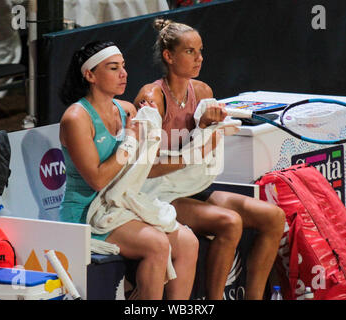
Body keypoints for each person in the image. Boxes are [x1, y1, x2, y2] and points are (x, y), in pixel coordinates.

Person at [134, 19, 286, 300]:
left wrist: (208, 130)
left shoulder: (202, 92)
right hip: (157, 195)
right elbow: (146, 168)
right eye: (190, 51)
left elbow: (210, 147)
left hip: (192, 188)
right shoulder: (152, 96)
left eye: (201, 50)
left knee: (273, 217)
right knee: (230, 222)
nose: (199, 58)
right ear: (169, 56)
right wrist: (200, 140)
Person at [59, 40, 198, 300]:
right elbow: (98, 180)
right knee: (157, 244)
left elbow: (142, 169)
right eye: (113, 68)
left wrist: (192, 153)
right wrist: (132, 140)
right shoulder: (76, 118)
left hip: (122, 206)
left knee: (188, 242)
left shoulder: (127, 110)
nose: (123, 74)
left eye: (123, 66)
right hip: (86, 214)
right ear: (90, 75)